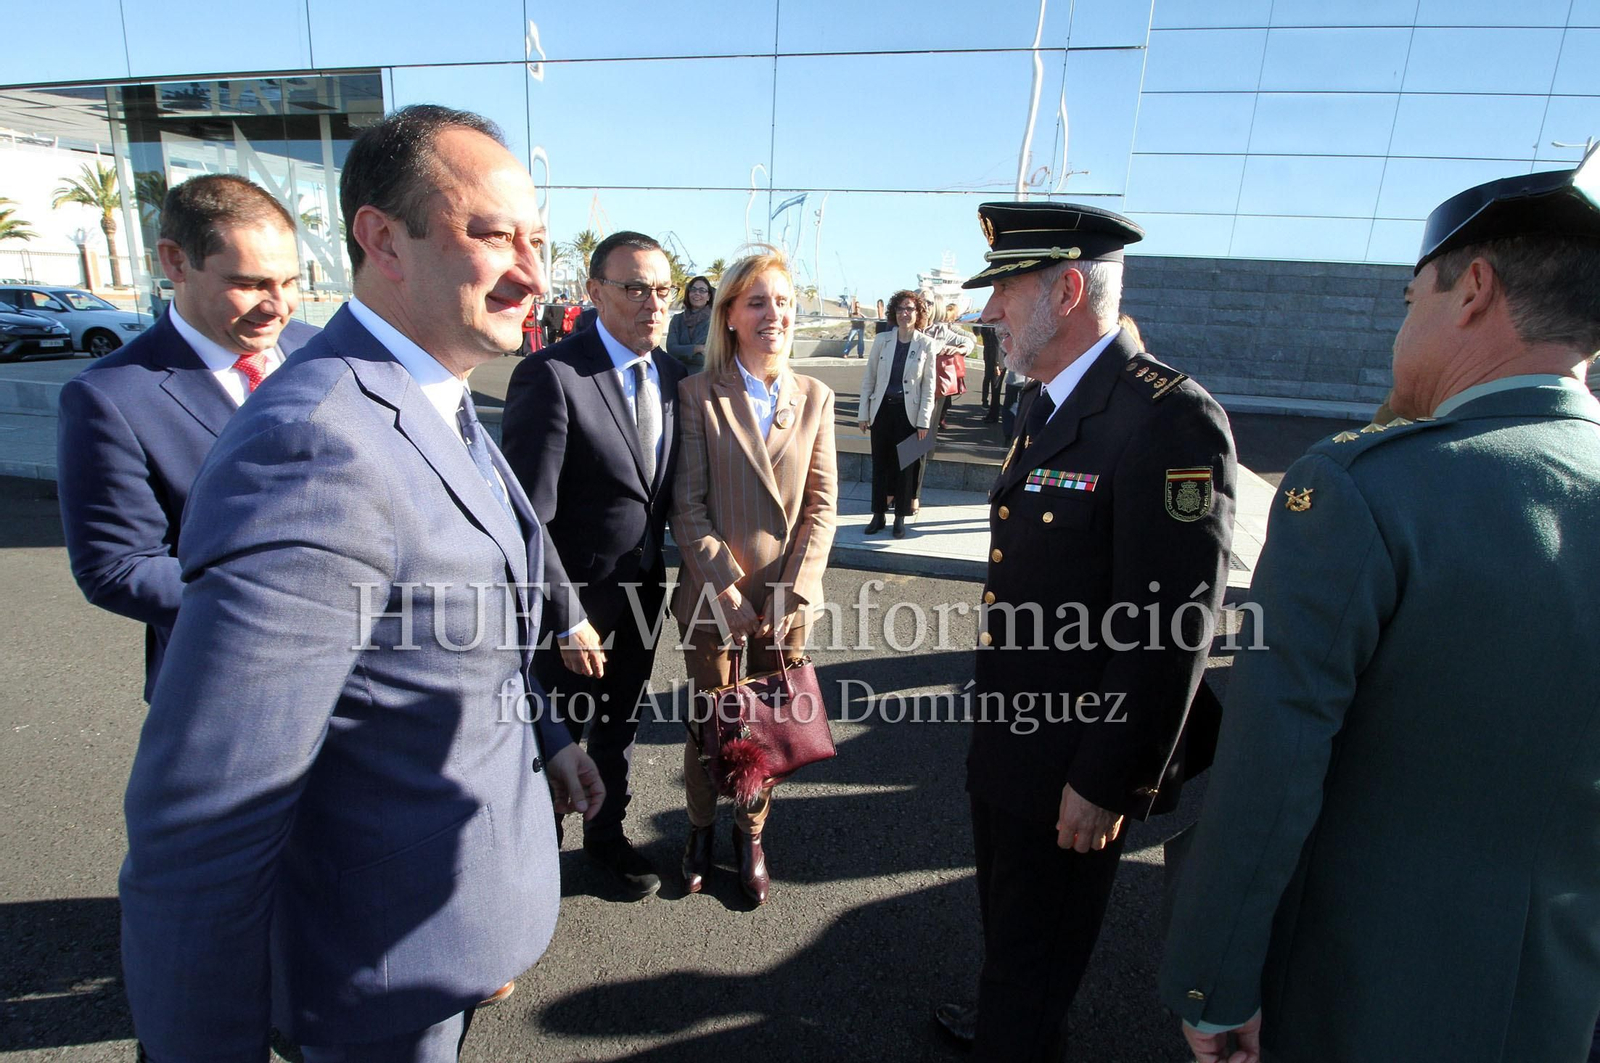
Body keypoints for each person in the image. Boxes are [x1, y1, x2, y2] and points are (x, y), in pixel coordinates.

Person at [118, 105, 603, 1063]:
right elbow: (205, 824)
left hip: (442, 933)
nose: (533, 273)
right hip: (376, 972)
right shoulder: (316, 444)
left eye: (537, 239)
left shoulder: (440, 397)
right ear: (382, 238)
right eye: (492, 234)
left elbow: (460, 624)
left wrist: (546, 735)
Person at [1161, 153, 1600, 1063]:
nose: (1401, 331)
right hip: (1558, 1006)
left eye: (1411, 301)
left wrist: (1213, 981)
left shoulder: (1370, 489)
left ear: (1472, 289)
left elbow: (1270, 767)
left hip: (1356, 1000)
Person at [935, 201, 1235, 1060]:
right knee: (1013, 930)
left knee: (1039, 947)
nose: (987, 311)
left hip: (1074, 765)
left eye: (1004, 291)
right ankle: (1014, 1017)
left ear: (1067, 290)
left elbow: (1170, 629)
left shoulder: (1167, 418)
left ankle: (1016, 1031)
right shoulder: (1049, 400)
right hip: (1012, 740)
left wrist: (1109, 778)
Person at [56, 173, 315, 703]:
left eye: (289, 281)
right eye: (250, 283)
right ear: (175, 261)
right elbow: (117, 567)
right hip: (229, 690)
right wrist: (292, 602)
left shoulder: (321, 350)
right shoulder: (109, 397)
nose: (278, 306)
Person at [502, 231, 688, 899]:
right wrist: (564, 615)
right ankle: (532, 861)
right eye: (635, 288)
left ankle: (605, 837)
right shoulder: (554, 375)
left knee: (619, 727)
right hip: (570, 605)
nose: (653, 303)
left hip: (642, 593)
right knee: (554, 736)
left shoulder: (672, 376)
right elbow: (528, 518)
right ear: (594, 291)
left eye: (663, 289)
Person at [670, 245, 838, 906]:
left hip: (787, 605)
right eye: (759, 301)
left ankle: (752, 834)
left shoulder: (815, 396)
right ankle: (699, 831)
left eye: (785, 304)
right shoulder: (698, 395)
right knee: (710, 726)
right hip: (715, 601)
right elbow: (687, 507)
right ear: (731, 314)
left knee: (766, 730)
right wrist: (728, 589)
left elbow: (822, 507)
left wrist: (791, 591)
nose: (776, 315)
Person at [858, 289, 937, 538]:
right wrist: (863, 413)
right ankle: (878, 514)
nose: (905, 313)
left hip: (910, 414)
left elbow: (929, 386)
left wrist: (924, 421)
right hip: (881, 409)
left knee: (907, 466)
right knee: (880, 463)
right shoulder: (882, 340)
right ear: (894, 312)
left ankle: (900, 518)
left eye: (910, 309)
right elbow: (869, 378)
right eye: (901, 309)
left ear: (919, 314)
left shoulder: (927, 344)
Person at [924, 300, 975, 430]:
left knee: (929, 429)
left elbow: (969, 340)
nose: (924, 306)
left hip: (935, 386)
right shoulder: (905, 330)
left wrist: (960, 349)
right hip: (910, 389)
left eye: (929, 303)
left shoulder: (941, 330)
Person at [666, 274, 714, 366]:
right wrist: (697, 348)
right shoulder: (677, 320)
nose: (697, 293)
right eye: (693, 289)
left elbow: (712, 355)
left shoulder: (715, 321)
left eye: (702, 290)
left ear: (708, 297)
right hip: (677, 374)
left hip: (704, 375)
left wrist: (682, 351)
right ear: (688, 294)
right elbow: (671, 349)